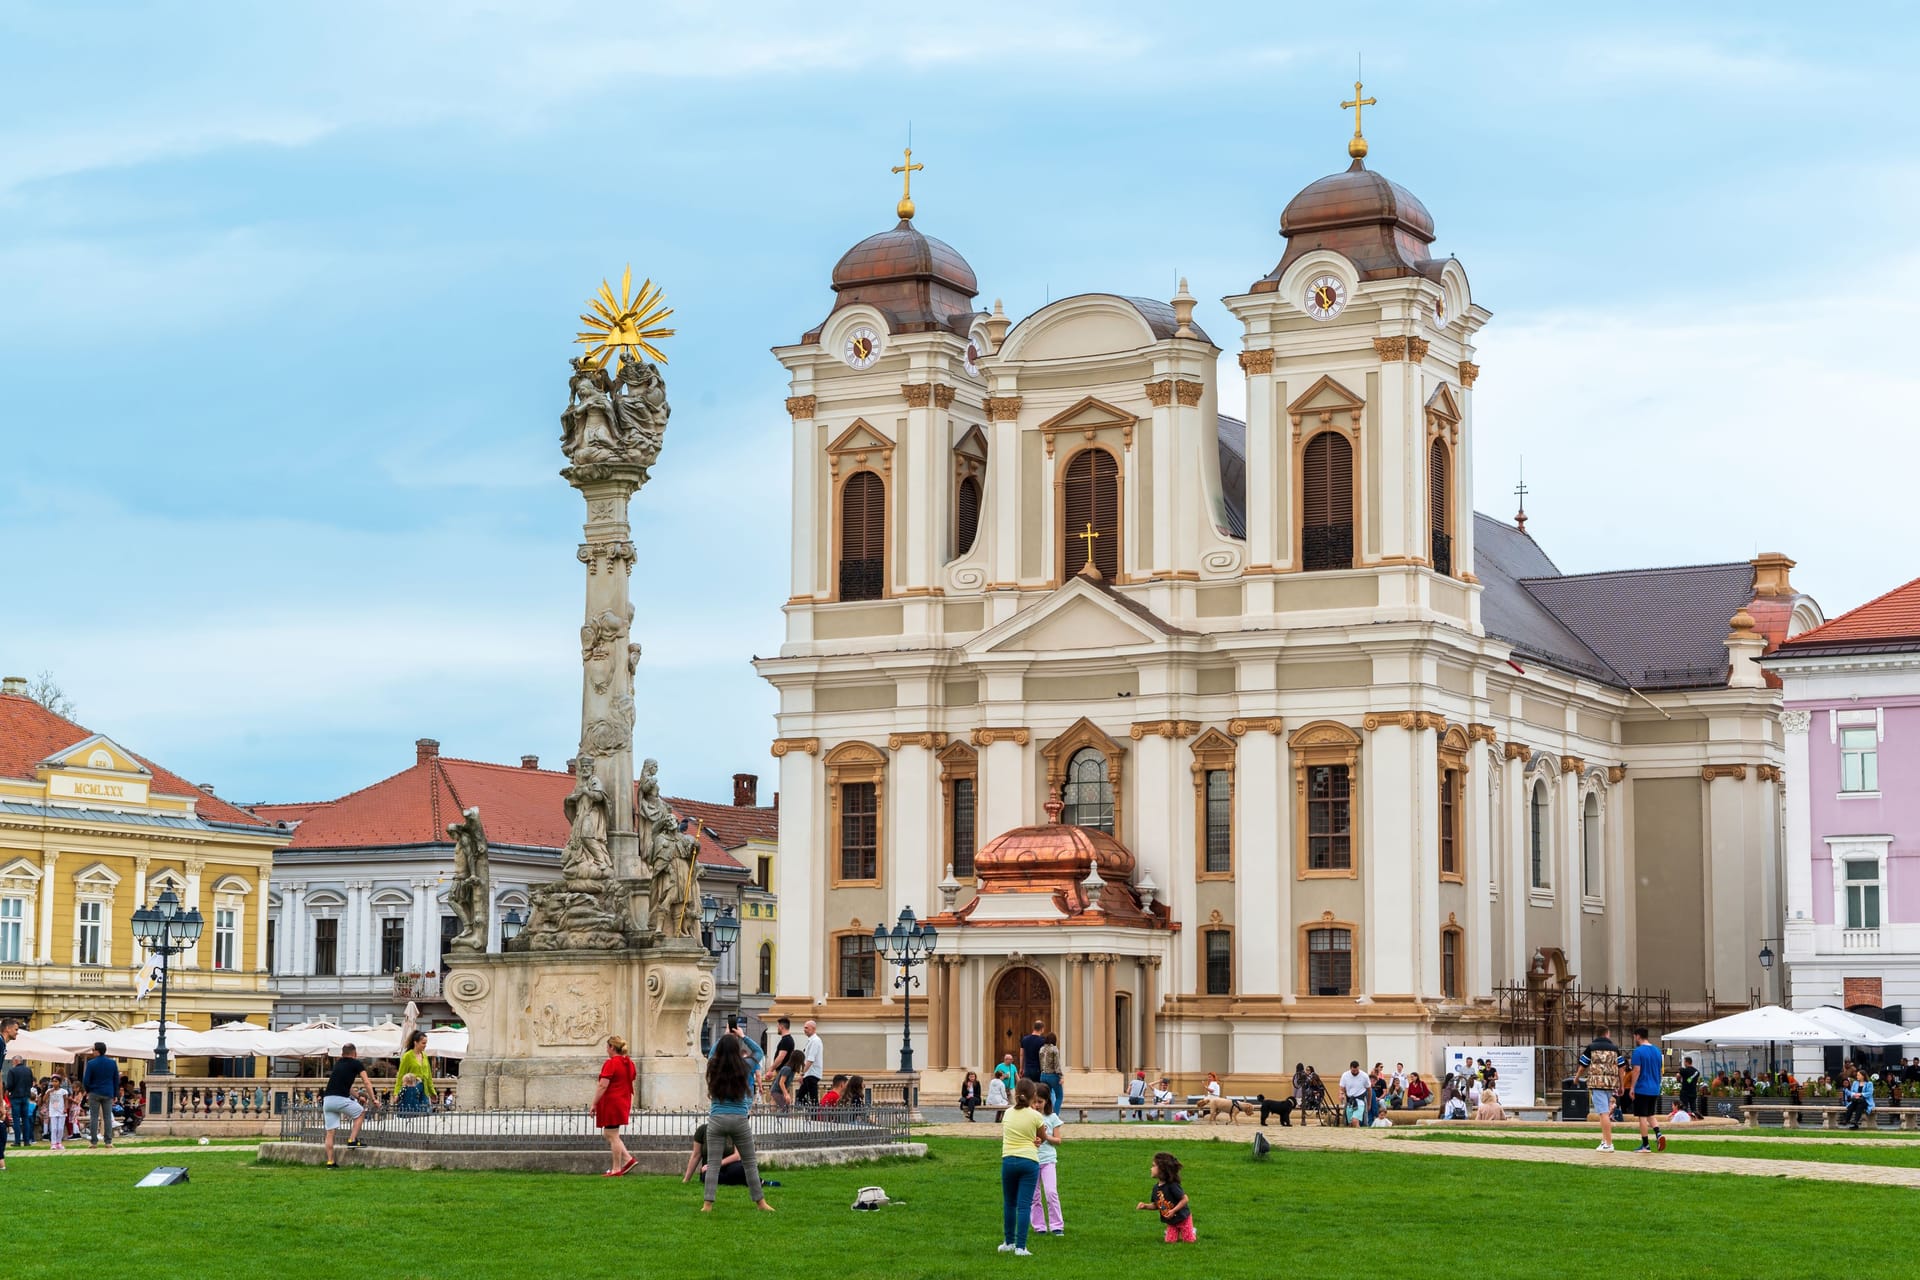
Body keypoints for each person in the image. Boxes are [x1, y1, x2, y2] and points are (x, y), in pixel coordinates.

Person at [702, 1031, 773, 1213]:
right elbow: (759, 1053)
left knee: (713, 1164)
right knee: (750, 1163)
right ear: (737, 1050)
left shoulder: (714, 1066)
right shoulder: (745, 1065)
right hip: (739, 1120)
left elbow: (711, 1054)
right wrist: (742, 1036)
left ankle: (707, 1204)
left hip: (717, 1119)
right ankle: (760, 1203)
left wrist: (723, 1036)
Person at [998, 1078, 1045, 1255]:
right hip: (1028, 1160)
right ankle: (1021, 1246)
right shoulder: (1035, 1115)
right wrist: (1038, 1139)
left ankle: (1008, 1242)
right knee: (1024, 1205)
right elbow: (1042, 1136)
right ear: (1034, 1096)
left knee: (1009, 1203)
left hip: (1008, 1159)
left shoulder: (1008, 1113)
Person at [322, 1044, 373, 1168]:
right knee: (360, 1112)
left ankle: (330, 1162)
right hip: (340, 1099)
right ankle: (352, 1140)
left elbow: (347, 1086)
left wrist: (357, 1096)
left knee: (330, 1133)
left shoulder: (338, 1064)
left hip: (327, 1100)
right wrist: (373, 1098)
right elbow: (366, 1082)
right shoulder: (356, 1063)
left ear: (342, 1054)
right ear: (355, 1054)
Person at [594, 1035, 638, 1176]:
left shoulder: (611, 1063)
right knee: (611, 1133)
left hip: (613, 1101)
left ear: (612, 1047)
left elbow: (603, 1085)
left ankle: (617, 1168)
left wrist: (594, 1103)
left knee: (612, 1135)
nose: (606, 1050)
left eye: (607, 1047)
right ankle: (628, 1160)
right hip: (623, 1100)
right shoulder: (629, 1063)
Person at [1577, 1026, 1623, 1153]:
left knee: (1603, 1113)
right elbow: (1621, 1067)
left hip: (1597, 1084)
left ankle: (1609, 1143)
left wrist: (1576, 1078)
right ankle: (1604, 1140)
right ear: (1607, 1034)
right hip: (1611, 1084)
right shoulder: (1614, 1049)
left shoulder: (1591, 1047)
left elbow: (1582, 1066)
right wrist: (1622, 1084)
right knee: (1606, 1113)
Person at [1137, 1151, 1195, 1243]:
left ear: (1162, 1169)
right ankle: (1176, 1232)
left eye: (1153, 1166)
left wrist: (1173, 1210)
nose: (1151, 1168)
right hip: (1171, 1221)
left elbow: (1185, 1199)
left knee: (1189, 1241)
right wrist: (1145, 1206)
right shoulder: (1156, 1188)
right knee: (1169, 1242)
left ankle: (1190, 1230)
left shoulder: (1172, 1185)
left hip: (1183, 1218)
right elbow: (1157, 1205)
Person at [1030, 1093, 1066, 1237]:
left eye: (1040, 1101)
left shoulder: (1052, 1118)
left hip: (1048, 1160)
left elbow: (1058, 1140)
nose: (1037, 1105)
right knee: (1034, 1195)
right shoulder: (1029, 1118)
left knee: (1051, 1192)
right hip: (1032, 1159)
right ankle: (1039, 1226)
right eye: (1034, 1102)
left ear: (1046, 1102)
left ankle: (1057, 1225)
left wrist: (1046, 1137)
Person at [1625, 1027, 1665, 1153]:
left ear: (1637, 1036)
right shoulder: (1657, 1051)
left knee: (1642, 1116)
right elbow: (1660, 1070)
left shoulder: (1638, 1051)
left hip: (1642, 1088)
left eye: (1634, 1036)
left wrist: (1632, 1087)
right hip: (1654, 1087)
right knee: (1650, 1114)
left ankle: (1645, 1145)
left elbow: (1636, 1070)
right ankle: (1658, 1134)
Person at [82, 1041, 119, 1148]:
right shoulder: (112, 1063)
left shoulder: (91, 1063)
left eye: (93, 1050)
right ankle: (108, 1141)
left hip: (94, 1092)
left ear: (98, 1051)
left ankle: (94, 1142)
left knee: (94, 1117)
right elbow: (116, 1079)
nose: (92, 1051)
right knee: (107, 1117)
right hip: (108, 1092)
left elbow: (86, 1080)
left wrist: (88, 1090)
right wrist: (115, 1093)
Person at [393, 1030, 437, 1113]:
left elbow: (429, 1076)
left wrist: (432, 1092)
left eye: (426, 1043)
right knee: (413, 1115)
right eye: (423, 1043)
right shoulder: (407, 1056)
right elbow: (400, 1076)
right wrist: (396, 1093)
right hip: (412, 1090)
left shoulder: (425, 1055)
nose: (425, 1045)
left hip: (424, 1090)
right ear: (415, 1043)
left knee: (425, 1115)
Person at [768, 1016, 797, 1108]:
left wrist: (771, 1069)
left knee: (775, 1093)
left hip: (782, 1071)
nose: (777, 1028)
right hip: (784, 1071)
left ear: (781, 1027)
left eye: (778, 1026)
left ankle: (777, 1115)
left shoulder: (786, 1040)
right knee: (777, 1094)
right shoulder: (789, 1040)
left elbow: (781, 1057)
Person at [795, 1019, 824, 1108]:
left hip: (812, 1073)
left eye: (807, 1028)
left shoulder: (815, 1041)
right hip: (809, 1074)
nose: (805, 1029)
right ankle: (812, 1112)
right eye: (804, 1028)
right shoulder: (811, 1041)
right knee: (802, 1097)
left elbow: (810, 1059)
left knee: (811, 1098)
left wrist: (802, 1073)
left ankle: (814, 1116)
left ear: (813, 1029)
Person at [6, 1051, 31, 1148]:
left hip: (16, 1097)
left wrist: (9, 1090)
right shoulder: (28, 1070)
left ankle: (17, 1141)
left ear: (16, 1061)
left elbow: (10, 1085)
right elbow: (30, 1082)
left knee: (16, 1119)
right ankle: (27, 1141)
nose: (12, 1063)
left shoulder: (12, 1071)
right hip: (26, 1096)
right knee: (25, 1119)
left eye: (13, 1061)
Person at [1338, 1060, 1370, 1127]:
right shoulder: (1345, 1075)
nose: (1355, 1072)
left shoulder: (1364, 1076)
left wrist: (1369, 1103)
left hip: (1360, 1100)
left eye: (1357, 1070)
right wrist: (1341, 1094)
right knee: (1350, 1123)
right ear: (1350, 1068)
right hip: (1350, 1100)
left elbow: (1369, 1090)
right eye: (1353, 1071)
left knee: (1355, 1120)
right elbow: (1342, 1088)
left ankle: (1360, 1134)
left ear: (1358, 1068)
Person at [1039, 1033, 1064, 1115]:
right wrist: (1061, 1076)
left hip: (1043, 1075)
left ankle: (1046, 1113)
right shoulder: (1054, 1049)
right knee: (1059, 1096)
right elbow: (1057, 1064)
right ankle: (1055, 1115)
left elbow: (1040, 1063)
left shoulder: (1042, 1049)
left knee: (1046, 1096)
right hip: (1052, 1075)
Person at [45, 1073, 69, 1150]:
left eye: (56, 1081)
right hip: (53, 1111)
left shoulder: (63, 1091)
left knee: (60, 1128)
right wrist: (48, 1092)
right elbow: (44, 1099)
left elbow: (66, 1100)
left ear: (60, 1083)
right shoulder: (49, 1091)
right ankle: (53, 1143)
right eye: (53, 1081)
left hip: (61, 1111)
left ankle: (59, 1142)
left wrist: (65, 1108)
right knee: (54, 1128)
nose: (54, 1083)